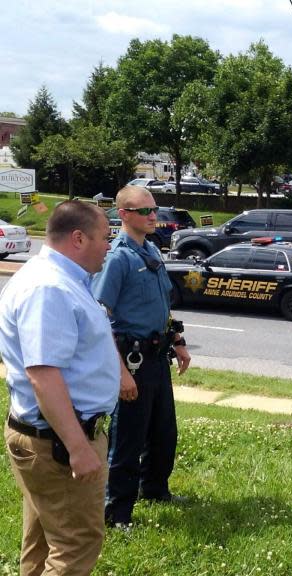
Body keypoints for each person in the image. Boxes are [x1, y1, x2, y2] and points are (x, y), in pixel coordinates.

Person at [0, 200, 128, 575]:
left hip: (51, 437)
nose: (110, 244)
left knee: (41, 544)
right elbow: (43, 374)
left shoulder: (64, 279)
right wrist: (77, 447)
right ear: (78, 238)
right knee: (76, 544)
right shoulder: (49, 288)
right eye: (106, 237)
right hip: (57, 442)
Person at [92, 185, 191, 528]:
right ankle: (116, 510)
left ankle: (154, 488)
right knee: (127, 438)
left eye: (155, 209)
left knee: (163, 430)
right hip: (130, 358)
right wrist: (120, 374)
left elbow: (161, 303)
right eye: (145, 211)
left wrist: (177, 339)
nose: (154, 216)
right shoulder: (118, 257)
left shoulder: (150, 249)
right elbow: (99, 319)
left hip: (157, 355)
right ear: (124, 215)